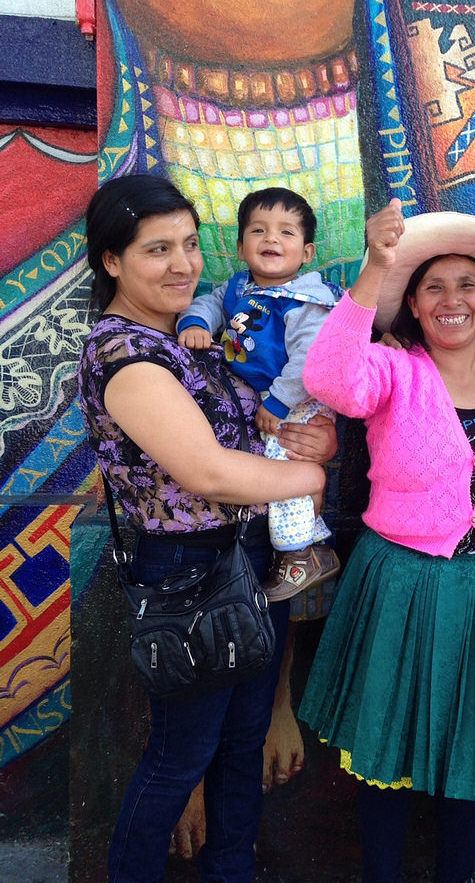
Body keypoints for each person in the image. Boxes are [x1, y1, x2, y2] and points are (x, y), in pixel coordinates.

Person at [298, 199, 475, 883]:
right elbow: (328, 380)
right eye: (434, 287)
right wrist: (376, 269)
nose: (452, 301)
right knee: (385, 750)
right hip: (403, 581)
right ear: (415, 307)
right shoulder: (396, 373)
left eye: (467, 286)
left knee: (472, 748)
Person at [77, 174, 336, 883]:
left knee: (241, 741)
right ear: (112, 261)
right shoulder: (122, 353)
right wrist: (313, 480)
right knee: (179, 756)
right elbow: (211, 472)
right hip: (187, 570)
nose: (183, 264)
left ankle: (232, 871)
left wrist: (317, 444)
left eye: (190, 244)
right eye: (157, 249)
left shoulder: (197, 338)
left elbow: (270, 427)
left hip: (250, 557)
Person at [176, 186, 342, 601]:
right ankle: (308, 543)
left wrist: (280, 401)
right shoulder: (237, 288)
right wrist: (194, 324)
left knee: (283, 466)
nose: (271, 239)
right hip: (270, 397)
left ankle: (301, 553)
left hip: (297, 399)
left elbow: (312, 358)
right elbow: (210, 305)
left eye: (286, 233)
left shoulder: (305, 301)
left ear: (306, 253)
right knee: (274, 466)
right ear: (240, 246)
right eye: (259, 230)